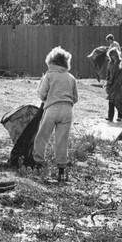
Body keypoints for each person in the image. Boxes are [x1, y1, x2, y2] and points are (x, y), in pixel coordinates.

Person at [32, 46, 78, 181]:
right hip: (68, 110)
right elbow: (75, 98)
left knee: (42, 137)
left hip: (52, 108)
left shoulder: (49, 75)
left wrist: (49, 98)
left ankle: (38, 164)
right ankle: (61, 170)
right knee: (62, 140)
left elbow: (41, 94)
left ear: (51, 61)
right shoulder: (71, 77)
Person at [104, 48, 122, 122]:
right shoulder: (110, 63)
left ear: (117, 55)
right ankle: (110, 117)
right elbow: (108, 74)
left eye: (114, 55)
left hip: (120, 84)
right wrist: (107, 83)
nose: (113, 56)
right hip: (111, 84)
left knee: (119, 100)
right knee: (111, 101)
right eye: (111, 55)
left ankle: (120, 117)